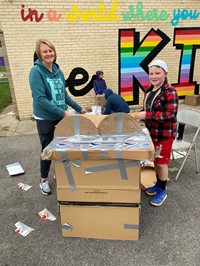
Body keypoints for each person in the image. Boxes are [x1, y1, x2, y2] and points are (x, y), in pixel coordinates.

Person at [29, 39, 87, 196]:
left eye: (50, 50)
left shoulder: (58, 71)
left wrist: (79, 108)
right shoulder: (36, 72)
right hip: (45, 117)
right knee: (48, 148)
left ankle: (61, 172)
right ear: (39, 54)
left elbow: (64, 95)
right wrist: (64, 113)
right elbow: (40, 99)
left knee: (64, 145)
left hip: (62, 114)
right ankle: (43, 179)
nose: (48, 53)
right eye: (44, 51)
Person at [136, 59, 178, 206]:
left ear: (165, 74)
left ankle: (162, 190)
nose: (154, 76)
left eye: (157, 73)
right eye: (151, 73)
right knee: (154, 161)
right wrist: (138, 115)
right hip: (151, 133)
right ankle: (157, 184)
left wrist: (146, 115)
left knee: (161, 163)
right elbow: (148, 110)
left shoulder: (170, 91)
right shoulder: (149, 90)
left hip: (164, 135)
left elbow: (170, 115)